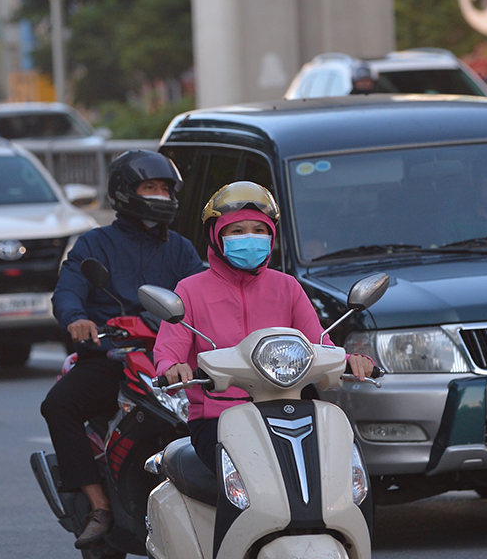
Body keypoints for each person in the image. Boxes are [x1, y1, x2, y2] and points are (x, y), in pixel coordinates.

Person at [40, 150, 203, 548]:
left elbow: (204, 295)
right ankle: (99, 504)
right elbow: (68, 291)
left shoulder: (181, 249)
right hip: (112, 357)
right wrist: (77, 319)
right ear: (125, 192)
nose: (161, 196)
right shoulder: (94, 245)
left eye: (166, 188)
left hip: (170, 360)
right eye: (151, 187)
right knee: (57, 405)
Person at [153, 182, 374, 471]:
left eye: (260, 230)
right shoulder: (190, 290)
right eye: (237, 231)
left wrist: (349, 361)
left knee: (340, 470)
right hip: (217, 418)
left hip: (288, 410)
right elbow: (170, 349)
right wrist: (172, 368)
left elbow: (319, 345)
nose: (250, 238)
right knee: (251, 480)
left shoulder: (287, 287)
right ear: (216, 237)